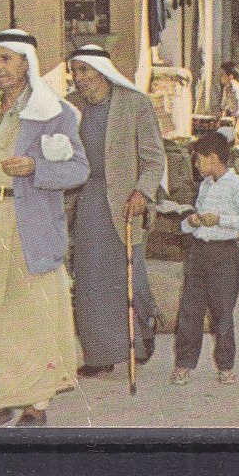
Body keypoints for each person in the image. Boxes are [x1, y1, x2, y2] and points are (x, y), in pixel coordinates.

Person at [0, 28, 89, 427]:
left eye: (7, 58)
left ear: (27, 63)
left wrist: (35, 168)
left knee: (29, 317)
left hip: (28, 225)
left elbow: (78, 169)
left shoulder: (53, 112)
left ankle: (34, 405)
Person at [66, 43, 166, 379]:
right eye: (75, 71)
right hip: (89, 200)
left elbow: (154, 158)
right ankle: (101, 353)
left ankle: (143, 332)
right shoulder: (73, 107)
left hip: (126, 202)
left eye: (84, 70)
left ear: (101, 71)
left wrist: (142, 192)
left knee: (128, 276)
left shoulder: (135, 104)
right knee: (91, 280)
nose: (79, 79)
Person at [171, 131, 239, 386]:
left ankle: (225, 365)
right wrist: (191, 222)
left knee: (223, 313)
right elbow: (189, 224)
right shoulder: (205, 185)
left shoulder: (237, 185)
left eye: (199, 160)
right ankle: (184, 364)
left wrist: (220, 220)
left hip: (223, 255)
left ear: (214, 158)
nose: (196, 165)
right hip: (198, 253)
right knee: (190, 311)